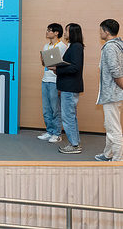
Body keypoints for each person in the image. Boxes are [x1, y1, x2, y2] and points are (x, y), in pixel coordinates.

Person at [50, 23, 84, 154]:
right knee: (71, 117)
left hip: (70, 87)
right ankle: (75, 143)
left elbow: (75, 67)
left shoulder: (76, 47)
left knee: (68, 117)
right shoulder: (74, 46)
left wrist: (58, 69)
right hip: (69, 86)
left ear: (73, 32)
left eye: (67, 31)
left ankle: (74, 145)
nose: (65, 33)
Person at [95, 19, 123, 162]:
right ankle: (108, 154)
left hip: (112, 94)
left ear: (106, 32)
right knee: (109, 125)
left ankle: (118, 160)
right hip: (114, 93)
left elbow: (116, 72)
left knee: (113, 128)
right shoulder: (119, 44)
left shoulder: (110, 47)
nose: (100, 33)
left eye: (101, 30)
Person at [38, 23, 67, 143]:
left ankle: (57, 133)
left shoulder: (62, 46)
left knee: (55, 109)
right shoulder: (46, 46)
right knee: (46, 108)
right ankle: (49, 131)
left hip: (55, 80)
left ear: (56, 33)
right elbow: (45, 64)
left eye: (49, 30)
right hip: (45, 79)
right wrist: (42, 60)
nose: (47, 32)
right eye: (47, 30)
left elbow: (64, 65)